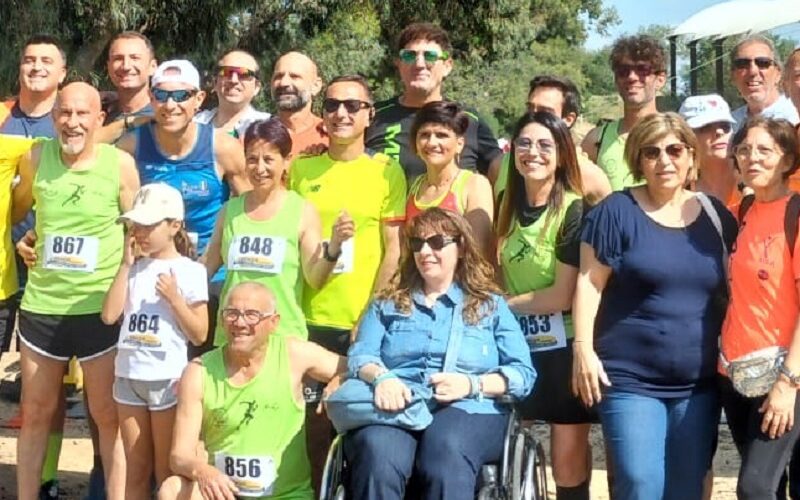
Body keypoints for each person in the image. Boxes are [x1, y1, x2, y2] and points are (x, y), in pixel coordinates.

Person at [572, 112, 736, 499]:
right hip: (630, 379)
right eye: (652, 152)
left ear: (691, 156)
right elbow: (589, 282)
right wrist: (583, 348)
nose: (664, 161)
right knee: (639, 483)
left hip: (698, 383)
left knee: (686, 488)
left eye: (675, 150)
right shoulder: (616, 211)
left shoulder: (716, 216)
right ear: (638, 160)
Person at [344, 207, 535, 499]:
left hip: (471, 408)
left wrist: (472, 384)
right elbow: (361, 355)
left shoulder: (490, 305)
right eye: (417, 243)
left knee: (445, 446)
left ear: (460, 247)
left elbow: (523, 374)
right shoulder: (387, 303)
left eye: (436, 242)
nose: (425, 251)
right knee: (377, 452)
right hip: (400, 406)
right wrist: (382, 378)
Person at [12, 82, 141, 500]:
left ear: (99, 119)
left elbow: (135, 230)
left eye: (83, 114)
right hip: (43, 307)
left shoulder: (120, 165)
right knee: (34, 413)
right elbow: (19, 212)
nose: (73, 122)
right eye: (65, 114)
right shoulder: (35, 157)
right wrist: (23, 239)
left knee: (107, 415)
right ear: (54, 118)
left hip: (99, 310)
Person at [289, 74, 406, 488]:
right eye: (333, 104)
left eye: (353, 106)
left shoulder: (386, 173)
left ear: (369, 115)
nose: (341, 113)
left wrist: (371, 313)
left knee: (358, 431)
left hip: (360, 323)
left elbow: (394, 249)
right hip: (305, 317)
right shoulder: (302, 170)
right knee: (310, 432)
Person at [157, 281, 346, 500]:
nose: (240, 323)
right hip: (225, 493)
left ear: (273, 322)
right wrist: (202, 471)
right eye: (232, 314)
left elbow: (353, 366)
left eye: (252, 315)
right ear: (221, 319)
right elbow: (179, 455)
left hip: (286, 496)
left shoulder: (294, 354)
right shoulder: (199, 371)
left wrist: (339, 379)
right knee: (173, 489)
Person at [115, 58, 249, 358]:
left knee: (205, 370)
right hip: (152, 274)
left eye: (181, 95)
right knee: (151, 367)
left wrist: (218, 259)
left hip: (210, 275)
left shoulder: (222, 147)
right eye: (161, 95)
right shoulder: (131, 146)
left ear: (199, 99)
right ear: (151, 98)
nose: (170, 104)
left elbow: (249, 209)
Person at [496, 111, 592, 500]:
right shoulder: (505, 201)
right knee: (503, 449)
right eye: (524, 143)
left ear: (561, 154)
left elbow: (561, 294)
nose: (532, 153)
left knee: (566, 462)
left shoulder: (574, 209)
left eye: (544, 145)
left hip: (562, 347)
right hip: (514, 344)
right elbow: (497, 269)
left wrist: (502, 306)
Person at [101, 183, 209, 499]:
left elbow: (200, 332)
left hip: (165, 378)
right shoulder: (133, 268)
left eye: (150, 225)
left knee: (165, 471)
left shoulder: (189, 271)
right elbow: (109, 316)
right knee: (135, 469)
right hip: (128, 375)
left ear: (174, 225)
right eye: (136, 225)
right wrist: (124, 265)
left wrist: (175, 300)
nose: (140, 232)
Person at [203, 118, 353, 343]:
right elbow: (206, 267)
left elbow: (315, 278)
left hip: (283, 339)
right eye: (252, 159)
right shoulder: (230, 211)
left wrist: (335, 246)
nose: (259, 168)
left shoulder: (302, 211)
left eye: (268, 159)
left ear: (286, 161)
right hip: (234, 337)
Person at [720, 117, 800, 499]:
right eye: (745, 149)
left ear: (786, 160)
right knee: (775, 482)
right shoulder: (741, 212)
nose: (753, 157)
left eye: (765, 150)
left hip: (785, 377)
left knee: (754, 487)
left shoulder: (796, 216)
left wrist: (788, 384)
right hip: (736, 375)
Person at [365, 22, 502, 180]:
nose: (419, 64)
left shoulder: (468, 119)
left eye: (429, 56)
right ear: (399, 64)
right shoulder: (373, 116)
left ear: (447, 65)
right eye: (409, 56)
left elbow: (501, 173)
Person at [491, 75, 611, 206]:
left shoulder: (587, 175)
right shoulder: (501, 166)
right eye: (530, 109)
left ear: (568, 119)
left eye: (545, 112)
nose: (534, 117)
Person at [406, 100, 493, 254]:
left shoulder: (474, 185)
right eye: (425, 135)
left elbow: (479, 253)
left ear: (459, 144)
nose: (432, 143)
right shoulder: (415, 187)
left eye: (442, 135)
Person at [581, 35, 667, 191]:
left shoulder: (677, 137)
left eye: (642, 70)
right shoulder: (596, 141)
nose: (632, 77)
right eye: (623, 71)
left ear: (660, 79)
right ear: (616, 80)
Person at [678, 94, 741, 205]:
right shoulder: (678, 191)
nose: (719, 132)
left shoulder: (751, 180)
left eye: (725, 125)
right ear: (686, 137)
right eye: (705, 127)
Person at [195, 49, 270, 139]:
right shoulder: (194, 124)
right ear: (215, 83)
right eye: (226, 72)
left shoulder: (268, 128)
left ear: (256, 87)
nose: (234, 80)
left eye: (244, 74)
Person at [730, 35, 799, 129]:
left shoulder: (795, 117)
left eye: (763, 62)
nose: (753, 71)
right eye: (742, 63)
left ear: (778, 73)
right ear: (733, 75)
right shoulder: (728, 126)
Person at [270, 51, 328, 156]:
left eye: (294, 76)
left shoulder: (331, 137)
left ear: (316, 86)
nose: (284, 83)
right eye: (278, 76)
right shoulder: (255, 137)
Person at [105, 31, 157, 122]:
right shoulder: (97, 117)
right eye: (118, 58)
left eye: (135, 58)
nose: (126, 66)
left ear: (152, 67)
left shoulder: (165, 117)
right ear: (109, 67)